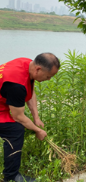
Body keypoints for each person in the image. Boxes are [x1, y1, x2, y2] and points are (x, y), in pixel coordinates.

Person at [0, 53, 60, 182]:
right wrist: (37, 130)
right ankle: (11, 176)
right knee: (15, 130)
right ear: (38, 69)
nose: (49, 79)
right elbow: (18, 117)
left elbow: (29, 90)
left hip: (3, 102)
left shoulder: (27, 64)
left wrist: (36, 118)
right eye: (48, 76)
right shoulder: (16, 84)